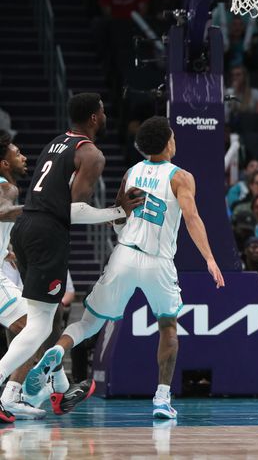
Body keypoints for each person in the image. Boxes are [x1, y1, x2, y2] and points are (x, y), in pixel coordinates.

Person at [24, 116, 225, 419]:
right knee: (168, 327)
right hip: (158, 262)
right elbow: (193, 217)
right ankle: (161, 398)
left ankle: (58, 351)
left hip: (124, 254)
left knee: (90, 323)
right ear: (169, 141)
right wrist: (209, 258)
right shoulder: (181, 177)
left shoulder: (131, 172)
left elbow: (119, 216)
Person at [0, 94, 143, 423]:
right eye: (104, 111)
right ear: (94, 117)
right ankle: (8, 388)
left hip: (24, 230)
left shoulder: (56, 143)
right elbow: (73, 211)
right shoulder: (91, 154)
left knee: (42, 319)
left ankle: (53, 391)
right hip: (48, 234)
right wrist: (117, 211)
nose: (106, 116)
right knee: (38, 325)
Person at [0, 133, 50, 419]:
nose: (23, 157)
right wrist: (39, 209)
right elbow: (3, 212)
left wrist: (7, 250)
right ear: (4, 163)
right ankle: (10, 394)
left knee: (34, 330)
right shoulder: (8, 188)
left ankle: (11, 394)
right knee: (36, 327)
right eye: (17, 153)